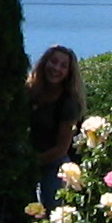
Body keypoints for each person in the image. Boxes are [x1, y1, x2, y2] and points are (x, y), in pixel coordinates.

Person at [26, 45, 84, 208]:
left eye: (63, 66)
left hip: (54, 164)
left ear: (68, 73)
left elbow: (61, 149)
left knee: (53, 210)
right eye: (54, 61)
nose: (56, 68)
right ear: (45, 62)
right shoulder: (29, 92)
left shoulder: (68, 103)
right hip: (27, 159)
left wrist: (31, 163)